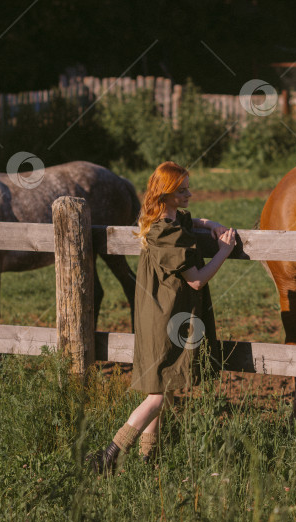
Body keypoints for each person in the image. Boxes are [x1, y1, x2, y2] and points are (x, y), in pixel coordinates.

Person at [87, 161, 237, 475]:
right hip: (165, 317)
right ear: (166, 194)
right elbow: (196, 280)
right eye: (182, 190)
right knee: (156, 395)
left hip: (162, 313)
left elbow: (191, 219)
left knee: (163, 386)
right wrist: (223, 251)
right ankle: (110, 454)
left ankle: (147, 459)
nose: (189, 194)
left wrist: (211, 223)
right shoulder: (165, 233)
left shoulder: (166, 220)